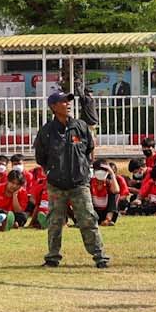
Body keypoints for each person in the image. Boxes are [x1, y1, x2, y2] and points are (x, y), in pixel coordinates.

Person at [34, 90, 108, 269]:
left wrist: (82, 168)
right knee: (55, 222)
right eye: (63, 102)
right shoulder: (46, 132)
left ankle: (99, 256)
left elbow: (89, 149)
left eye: (68, 101)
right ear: (53, 106)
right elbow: (40, 158)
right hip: (56, 185)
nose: (68, 104)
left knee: (88, 219)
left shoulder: (80, 127)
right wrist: (53, 172)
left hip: (79, 184)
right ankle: (52, 257)